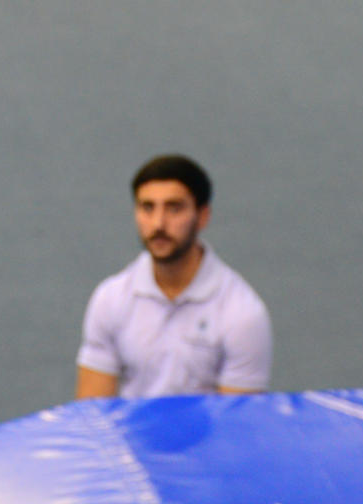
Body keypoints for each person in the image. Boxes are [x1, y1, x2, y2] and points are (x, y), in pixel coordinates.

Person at [75, 154, 272, 398]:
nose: (158, 223)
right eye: (147, 208)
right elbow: (92, 415)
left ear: (202, 216)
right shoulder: (110, 299)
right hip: (130, 437)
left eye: (174, 208)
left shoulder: (243, 313)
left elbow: (237, 427)